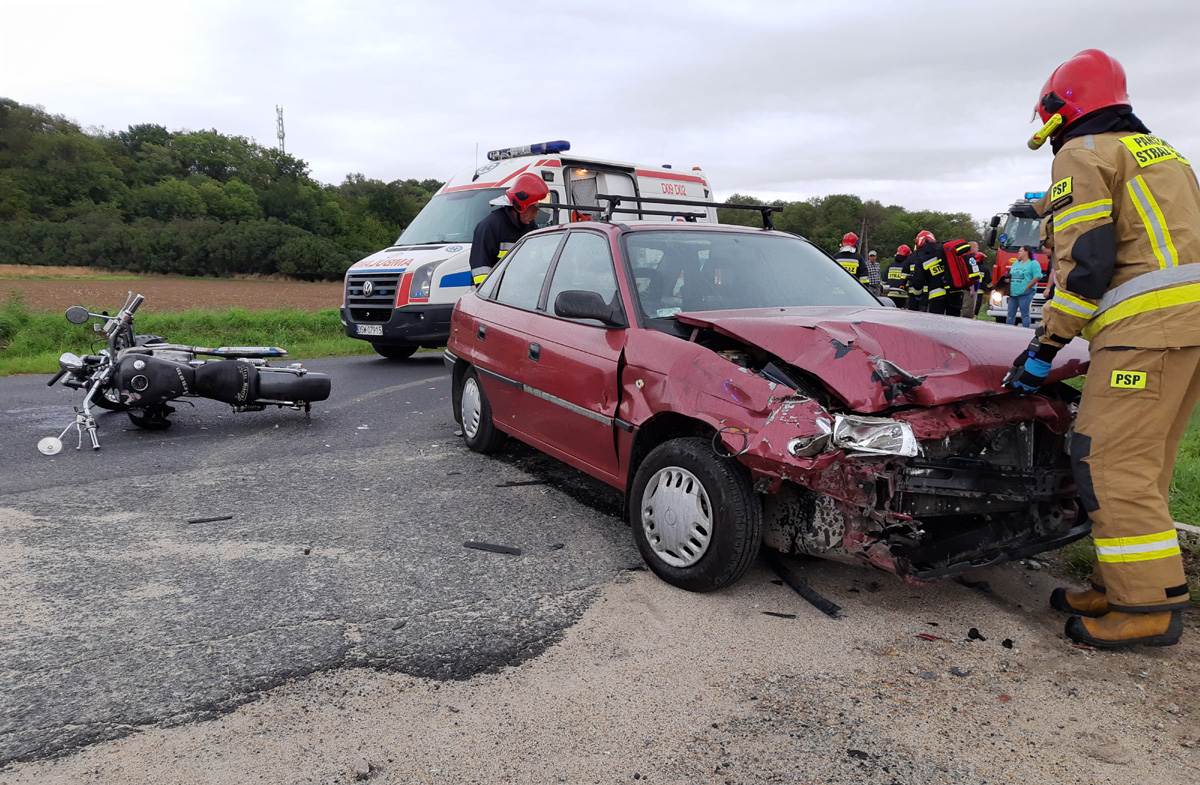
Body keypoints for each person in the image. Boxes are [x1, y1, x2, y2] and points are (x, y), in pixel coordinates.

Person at [1006, 49, 1200, 648]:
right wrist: (1039, 208)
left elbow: (1087, 265)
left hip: (1145, 333)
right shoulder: (1163, 155)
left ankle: (1143, 609)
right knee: (1146, 466)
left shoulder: (1080, 153)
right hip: (1184, 332)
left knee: (1108, 462)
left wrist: (1047, 344)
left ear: (1062, 111)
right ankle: (1128, 584)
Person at [468, 172, 550, 286]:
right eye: (533, 210)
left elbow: (537, 263)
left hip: (517, 294)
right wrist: (490, 297)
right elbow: (480, 272)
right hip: (490, 296)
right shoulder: (490, 226)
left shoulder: (530, 227)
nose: (536, 215)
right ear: (521, 207)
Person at [1005, 245, 1041, 327]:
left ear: (1026, 252)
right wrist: (1008, 280)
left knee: (1025, 314)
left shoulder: (1033, 263)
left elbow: (1037, 276)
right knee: (1010, 314)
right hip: (1013, 292)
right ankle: (1008, 330)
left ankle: (1025, 330)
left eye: (1021, 251)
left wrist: (1028, 287)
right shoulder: (1015, 264)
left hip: (1025, 292)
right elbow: (1011, 275)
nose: (1019, 253)